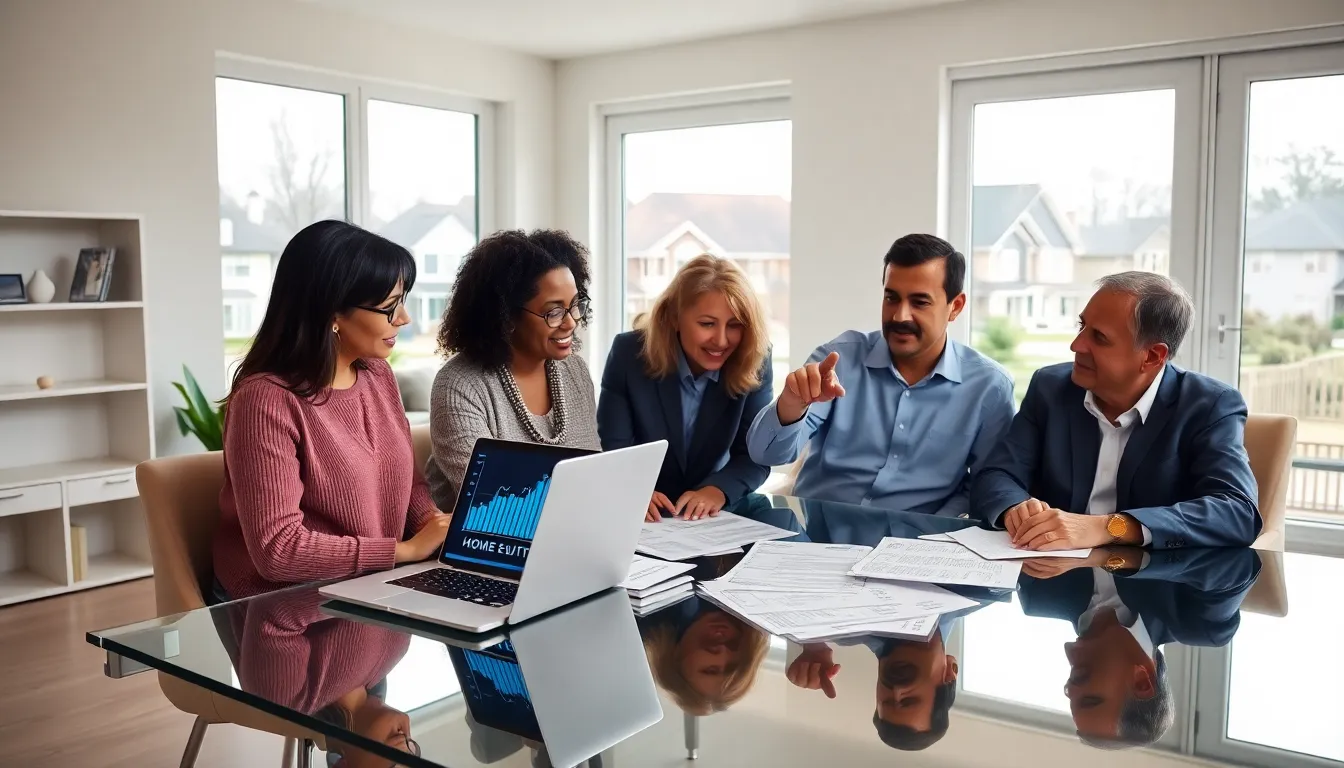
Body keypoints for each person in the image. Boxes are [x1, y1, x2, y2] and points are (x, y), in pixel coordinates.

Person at [214, 220, 453, 601]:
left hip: (372, 588)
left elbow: (406, 484)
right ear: (332, 314)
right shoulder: (265, 401)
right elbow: (278, 550)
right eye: (389, 307)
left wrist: (433, 524)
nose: (404, 318)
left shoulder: (377, 375)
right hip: (286, 607)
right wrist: (403, 551)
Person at [972, 272, 1261, 550]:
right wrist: (1016, 508)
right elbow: (996, 474)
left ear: (1152, 356)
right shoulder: (1050, 388)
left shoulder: (1208, 405)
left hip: (1153, 580)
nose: (1076, 345)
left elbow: (1238, 512)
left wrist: (1108, 527)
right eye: (1081, 326)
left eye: (1099, 337)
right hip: (1056, 575)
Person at [746, 234, 1015, 516]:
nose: (900, 316)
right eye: (891, 298)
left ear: (955, 306)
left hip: (919, 537)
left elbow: (987, 483)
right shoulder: (838, 361)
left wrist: (934, 530)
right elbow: (767, 455)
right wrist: (791, 405)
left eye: (920, 302)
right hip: (817, 532)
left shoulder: (989, 387)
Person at [427, 230, 601, 511]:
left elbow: (592, 472)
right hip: (484, 533)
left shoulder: (575, 371)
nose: (571, 322)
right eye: (554, 312)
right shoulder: (459, 384)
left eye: (575, 305)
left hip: (568, 526)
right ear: (506, 317)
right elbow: (490, 497)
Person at [1017, 546, 1260, 746]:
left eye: (1070, 698)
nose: (1070, 689)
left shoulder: (1038, 595)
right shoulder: (1199, 624)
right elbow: (1238, 564)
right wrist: (1110, 556)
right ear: (1142, 682)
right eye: (1090, 700)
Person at [598, 254, 774, 522]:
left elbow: (755, 455)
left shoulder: (755, 358)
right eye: (707, 324)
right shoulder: (628, 353)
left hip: (718, 511)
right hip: (647, 512)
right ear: (674, 317)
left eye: (735, 325)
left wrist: (717, 490)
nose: (721, 341)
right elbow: (615, 448)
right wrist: (634, 489)